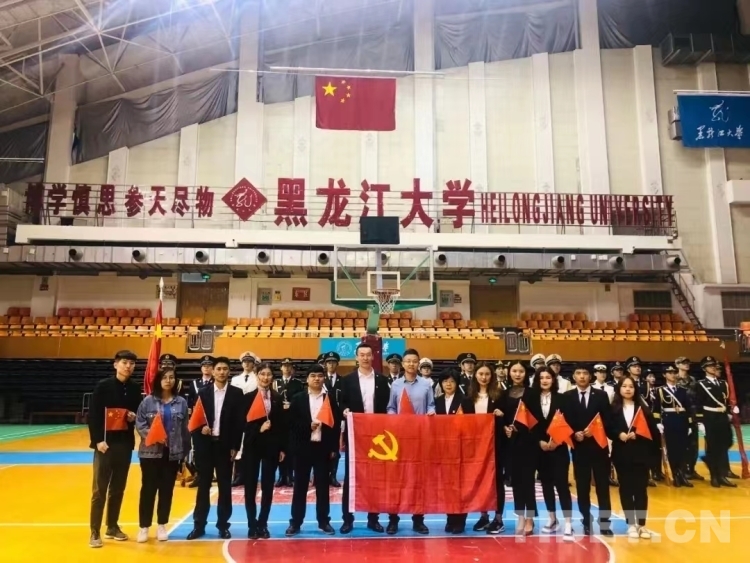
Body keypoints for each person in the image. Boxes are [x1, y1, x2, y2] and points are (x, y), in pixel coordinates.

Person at [87, 350, 142, 548]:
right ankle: (94, 531)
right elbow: (93, 415)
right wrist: (97, 441)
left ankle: (112, 526)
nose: (128, 366)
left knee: (118, 488)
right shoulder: (103, 386)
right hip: (105, 445)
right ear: (116, 364)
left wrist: (133, 417)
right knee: (99, 490)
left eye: (132, 363)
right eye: (125, 362)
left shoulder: (135, 388)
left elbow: (137, 414)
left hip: (125, 444)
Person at [187, 356, 245, 540]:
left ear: (229, 372)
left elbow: (239, 423)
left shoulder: (237, 393)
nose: (221, 372)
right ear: (212, 371)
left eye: (225, 369)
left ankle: (223, 525)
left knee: (225, 487)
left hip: (225, 447)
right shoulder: (202, 393)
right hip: (205, 446)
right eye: (218, 369)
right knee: (203, 486)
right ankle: (199, 525)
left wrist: (235, 446)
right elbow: (195, 421)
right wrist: (201, 429)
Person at [339, 342, 391, 534]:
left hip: (377, 437)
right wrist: (344, 410)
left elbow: (387, 406)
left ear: (373, 357)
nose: (365, 358)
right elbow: (341, 403)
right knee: (351, 476)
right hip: (355, 435)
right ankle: (347, 519)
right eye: (362, 355)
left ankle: (373, 518)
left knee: (374, 478)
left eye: (368, 355)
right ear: (356, 357)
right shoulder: (347, 380)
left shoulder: (382, 380)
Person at [135, 368, 190, 543]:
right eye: (164, 377)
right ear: (158, 380)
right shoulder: (147, 401)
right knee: (148, 489)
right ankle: (144, 526)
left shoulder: (181, 402)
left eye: (171, 377)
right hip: (150, 453)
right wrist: (154, 436)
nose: (168, 380)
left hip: (172, 454)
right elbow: (140, 424)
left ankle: (161, 525)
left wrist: (185, 454)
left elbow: (185, 429)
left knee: (166, 490)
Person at [385, 348, 435, 535]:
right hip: (399, 438)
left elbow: (431, 405)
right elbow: (390, 407)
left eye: (414, 361)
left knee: (418, 480)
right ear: (403, 364)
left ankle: (418, 519)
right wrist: (395, 419)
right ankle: (393, 519)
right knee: (396, 480)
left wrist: (431, 412)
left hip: (420, 437)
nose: (411, 364)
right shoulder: (396, 384)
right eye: (408, 361)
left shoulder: (427, 384)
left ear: (418, 363)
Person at [286, 365, 339, 537]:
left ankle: (324, 521)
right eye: (313, 376)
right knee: (300, 487)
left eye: (320, 376)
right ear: (307, 379)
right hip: (303, 449)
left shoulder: (329, 399)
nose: (317, 379)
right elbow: (291, 424)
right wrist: (307, 426)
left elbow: (335, 426)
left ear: (324, 378)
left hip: (322, 449)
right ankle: (295, 522)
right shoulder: (298, 398)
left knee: (323, 487)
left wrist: (334, 448)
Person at [561, 364, 613, 536]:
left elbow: (607, 419)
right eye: (578, 373)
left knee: (602, 487)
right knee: (582, 487)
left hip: (599, 447)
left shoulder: (601, 395)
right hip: (579, 448)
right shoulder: (567, 397)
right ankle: (586, 521)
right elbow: (564, 422)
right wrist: (573, 433)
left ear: (591, 376)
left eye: (585, 373)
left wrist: (596, 430)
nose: (582, 376)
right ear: (573, 377)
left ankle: (604, 523)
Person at [607, 376, 660, 540]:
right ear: (619, 389)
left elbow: (652, 432)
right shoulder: (613, 409)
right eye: (624, 386)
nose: (628, 389)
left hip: (641, 454)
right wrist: (619, 434)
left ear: (635, 389)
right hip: (622, 454)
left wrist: (639, 435)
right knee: (626, 488)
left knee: (641, 489)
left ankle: (642, 525)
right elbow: (609, 428)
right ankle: (630, 524)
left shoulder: (643, 409)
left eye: (631, 386)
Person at [460, 361, 506, 535]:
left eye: (487, 374)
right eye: (481, 374)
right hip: (475, 447)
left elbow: (508, 419)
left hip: (495, 446)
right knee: (480, 480)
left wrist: (502, 416)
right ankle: (484, 515)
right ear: (475, 376)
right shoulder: (467, 398)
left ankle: (498, 518)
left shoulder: (500, 396)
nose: (484, 377)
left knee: (496, 481)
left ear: (491, 376)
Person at [242, 362, 287, 539]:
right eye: (262, 374)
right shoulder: (247, 398)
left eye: (268, 374)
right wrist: (258, 429)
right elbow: (243, 425)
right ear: (257, 375)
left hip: (271, 447)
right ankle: (251, 525)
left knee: (268, 487)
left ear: (272, 377)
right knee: (250, 487)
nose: (265, 377)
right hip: (252, 446)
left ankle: (263, 523)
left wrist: (282, 448)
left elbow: (282, 426)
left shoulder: (277, 397)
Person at [530, 367, 573, 541]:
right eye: (541, 377)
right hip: (540, 449)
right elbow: (530, 425)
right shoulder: (532, 400)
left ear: (553, 380)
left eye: (548, 377)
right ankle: (552, 518)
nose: (545, 380)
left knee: (562, 484)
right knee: (546, 484)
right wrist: (539, 442)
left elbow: (568, 422)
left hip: (559, 447)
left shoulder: (563, 399)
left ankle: (568, 522)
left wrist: (557, 441)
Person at [501, 360, 536, 536]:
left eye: (521, 371)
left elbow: (536, 418)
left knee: (528, 482)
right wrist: (505, 427)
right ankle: (520, 516)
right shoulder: (503, 393)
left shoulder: (533, 393)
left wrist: (519, 428)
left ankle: (530, 518)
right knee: (515, 482)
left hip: (528, 443)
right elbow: (501, 415)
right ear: (509, 373)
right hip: (510, 444)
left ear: (525, 373)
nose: (517, 374)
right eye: (514, 371)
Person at [695, 356, 738, 488]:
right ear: (704, 369)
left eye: (714, 365)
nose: (713, 368)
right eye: (710, 366)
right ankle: (716, 476)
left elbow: (726, 400)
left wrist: (730, 411)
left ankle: (713, 464)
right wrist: (700, 421)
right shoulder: (700, 384)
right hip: (710, 417)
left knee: (726, 442)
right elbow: (697, 403)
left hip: (722, 417)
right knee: (713, 447)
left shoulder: (723, 383)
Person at [652, 365, 693, 487]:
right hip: (669, 422)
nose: (673, 375)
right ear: (664, 375)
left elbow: (688, 408)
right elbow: (656, 409)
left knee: (683, 449)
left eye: (674, 372)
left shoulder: (682, 390)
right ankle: (675, 474)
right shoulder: (660, 390)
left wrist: (690, 424)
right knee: (672, 450)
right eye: (669, 372)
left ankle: (682, 475)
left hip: (682, 421)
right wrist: (658, 422)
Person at [434, 369, 465, 533]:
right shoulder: (436, 401)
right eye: (445, 381)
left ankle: (460, 520)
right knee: (447, 485)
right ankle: (450, 517)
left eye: (452, 381)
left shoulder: (465, 401)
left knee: (460, 485)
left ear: (457, 383)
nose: (448, 384)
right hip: (443, 449)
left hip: (461, 449)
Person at [230, 351, 259, 487]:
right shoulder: (235, 379)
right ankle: (238, 475)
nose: (247, 364)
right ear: (242, 364)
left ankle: (249, 475)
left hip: (253, 413)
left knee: (251, 444)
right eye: (245, 362)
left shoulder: (257, 378)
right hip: (238, 414)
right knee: (238, 444)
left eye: (250, 362)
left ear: (253, 364)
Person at [274, 357, 304, 487]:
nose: (286, 368)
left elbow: (301, 400)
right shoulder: (275, 383)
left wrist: (291, 405)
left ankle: (290, 476)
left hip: (292, 418)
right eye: (284, 366)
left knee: (291, 448)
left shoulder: (298, 383)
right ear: (281, 368)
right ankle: (281, 475)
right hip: (280, 419)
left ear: (292, 368)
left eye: (289, 366)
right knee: (280, 448)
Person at [185, 355, 214, 488]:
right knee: (197, 449)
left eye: (209, 366)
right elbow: (191, 402)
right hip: (197, 420)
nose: (206, 368)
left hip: (212, 421)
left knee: (211, 450)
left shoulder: (216, 382)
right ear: (201, 368)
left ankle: (211, 475)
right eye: (204, 366)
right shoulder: (195, 383)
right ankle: (199, 475)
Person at [676, 357, 704, 481]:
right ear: (677, 365)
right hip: (680, 415)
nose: (686, 365)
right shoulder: (674, 379)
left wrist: (699, 417)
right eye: (683, 363)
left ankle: (691, 469)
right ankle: (681, 470)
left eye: (688, 363)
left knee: (694, 444)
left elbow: (698, 398)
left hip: (692, 415)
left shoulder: (693, 380)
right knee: (681, 444)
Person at [323, 351, 343, 487]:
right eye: (329, 362)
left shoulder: (343, 381)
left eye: (333, 362)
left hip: (337, 419)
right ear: (325, 364)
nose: (331, 365)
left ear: (337, 364)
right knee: (321, 447)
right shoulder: (321, 379)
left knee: (335, 448)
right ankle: (321, 475)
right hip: (322, 418)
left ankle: (333, 476)